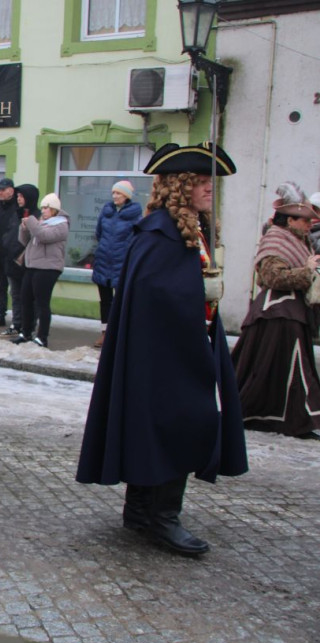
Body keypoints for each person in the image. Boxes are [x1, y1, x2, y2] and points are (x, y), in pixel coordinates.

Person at [77, 142, 248, 557]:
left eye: (211, 183)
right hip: (165, 354)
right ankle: (159, 517)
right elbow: (154, 295)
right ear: (180, 185)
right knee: (177, 425)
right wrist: (195, 294)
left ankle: (141, 511)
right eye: (202, 182)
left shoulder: (187, 231)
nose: (210, 189)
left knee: (159, 427)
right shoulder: (159, 234)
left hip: (184, 347)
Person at [232, 182, 320, 439]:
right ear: (290, 220)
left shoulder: (299, 240)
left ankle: (291, 417)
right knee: (285, 368)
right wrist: (309, 271)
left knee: (283, 368)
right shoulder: (276, 238)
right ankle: (294, 418)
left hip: (290, 314)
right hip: (275, 313)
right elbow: (272, 277)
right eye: (303, 221)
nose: (308, 225)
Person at [12, 193, 69, 348]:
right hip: (32, 266)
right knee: (25, 299)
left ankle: (42, 337)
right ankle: (25, 332)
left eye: (46, 208)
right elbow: (25, 241)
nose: (43, 211)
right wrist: (23, 228)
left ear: (54, 210)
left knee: (42, 302)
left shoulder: (61, 225)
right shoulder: (41, 223)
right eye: (43, 207)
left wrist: (30, 221)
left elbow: (43, 236)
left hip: (48, 268)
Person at [91, 181, 142, 348]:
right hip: (103, 262)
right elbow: (99, 233)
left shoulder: (135, 214)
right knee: (105, 301)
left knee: (121, 302)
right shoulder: (106, 211)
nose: (114, 196)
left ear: (126, 196)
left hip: (122, 264)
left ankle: (120, 335)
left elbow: (137, 239)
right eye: (113, 193)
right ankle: (105, 334)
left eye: (118, 193)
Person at [0, 183, 39, 338]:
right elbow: (9, 233)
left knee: (28, 297)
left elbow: (34, 239)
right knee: (15, 295)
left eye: (22, 196)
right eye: (18, 196)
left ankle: (28, 326)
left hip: (26, 263)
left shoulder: (35, 216)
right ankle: (16, 323)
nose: (19, 199)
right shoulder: (16, 214)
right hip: (11, 261)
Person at [0, 178, 19, 327]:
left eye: (3, 190)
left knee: (15, 288)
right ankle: (0, 314)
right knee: (1, 286)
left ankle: (17, 318)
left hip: (14, 254)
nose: (0, 192)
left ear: (11, 191)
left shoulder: (18, 208)